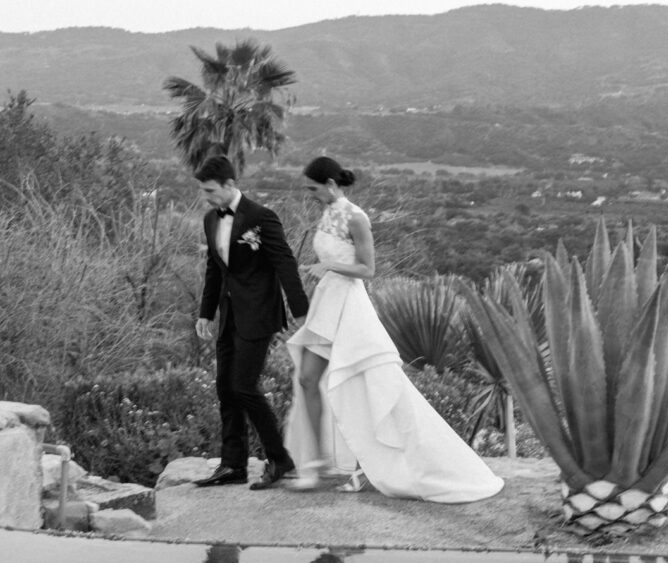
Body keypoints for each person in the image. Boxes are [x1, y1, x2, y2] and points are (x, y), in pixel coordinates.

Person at [285, 156, 504, 503]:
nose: (309, 194)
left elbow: (368, 270)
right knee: (308, 378)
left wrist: (327, 266)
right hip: (327, 304)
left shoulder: (356, 218)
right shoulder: (327, 212)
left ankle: (361, 465)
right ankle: (319, 461)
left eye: (312, 188)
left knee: (358, 384)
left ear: (329, 185)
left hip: (350, 307)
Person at [194, 155, 309, 490]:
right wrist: (205, 312)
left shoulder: (261, 218)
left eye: (211, 190)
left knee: (244, 386)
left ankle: (279, 458)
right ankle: (233, 465)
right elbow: (215, 269)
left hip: (259, 314)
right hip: (228, 316)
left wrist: (301, 311)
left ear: (230, 185)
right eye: (204, 191)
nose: (207, 197)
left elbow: (285, 263)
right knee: (225, 389)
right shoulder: (210, 220)